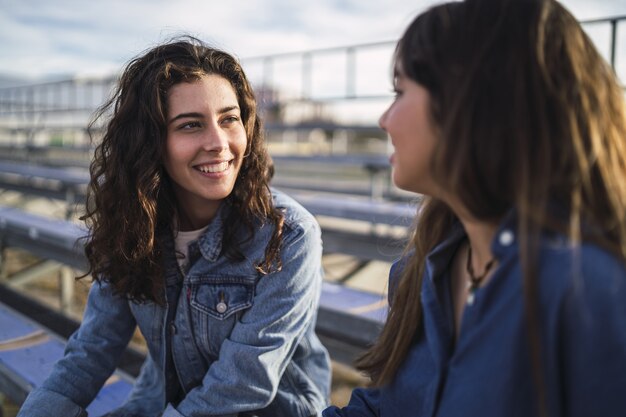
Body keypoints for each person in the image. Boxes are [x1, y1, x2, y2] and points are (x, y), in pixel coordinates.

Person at [324, 0, 626, 416]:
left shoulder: (590, 291)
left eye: (400, 91)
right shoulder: (420, 272)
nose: (384, 119)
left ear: (469, 103)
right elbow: (385, 409)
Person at [18, 37, 331, 417]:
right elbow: (92, 348)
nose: (218, 143)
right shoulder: (134, 223)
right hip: (163, 402)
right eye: (190, 125)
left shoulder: (289, 234)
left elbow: (245, 380)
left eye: (229, 119)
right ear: (151, 142)